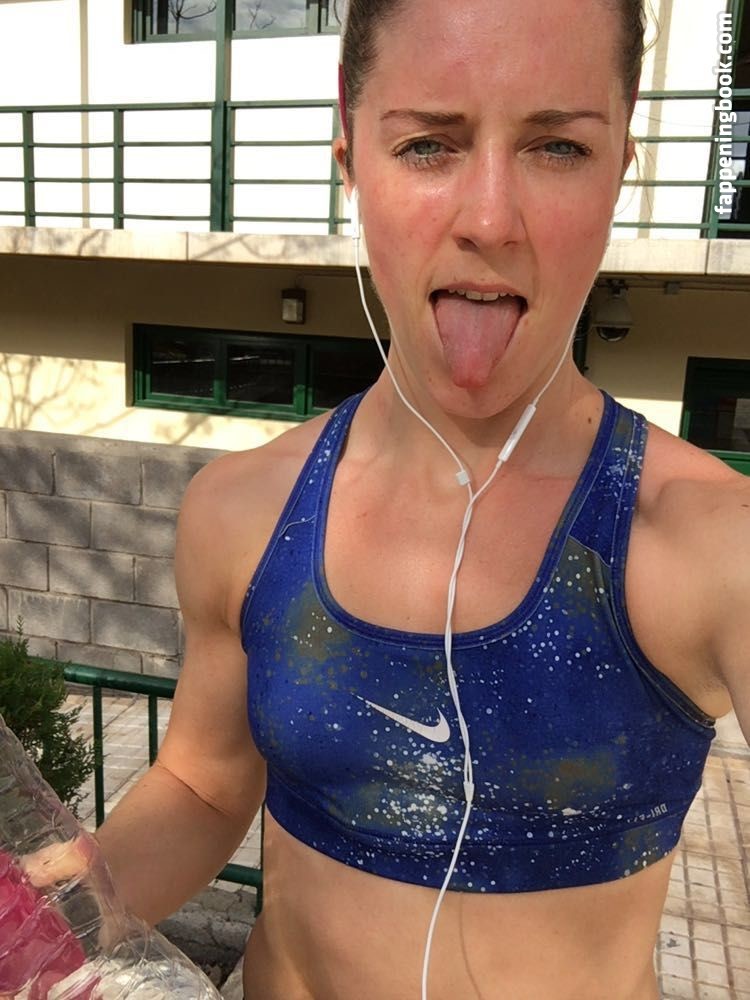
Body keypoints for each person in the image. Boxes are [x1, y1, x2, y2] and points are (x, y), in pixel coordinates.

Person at [88, 1, 750, 998]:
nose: (489, 220)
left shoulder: (706, 541)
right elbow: (203, 783)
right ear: (350, 158)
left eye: (559, 147)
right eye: (429, 145)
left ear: (622, 168)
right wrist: (50, 917)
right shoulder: (243, 509)